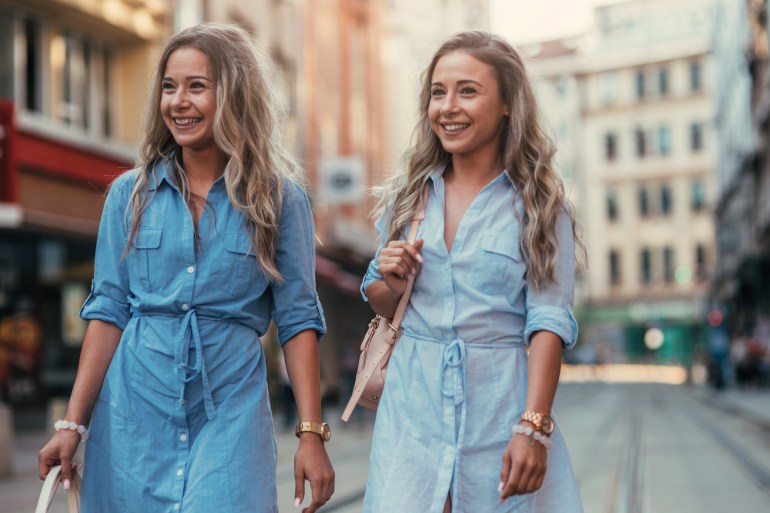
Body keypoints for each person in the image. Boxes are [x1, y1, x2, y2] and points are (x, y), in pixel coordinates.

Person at [38, 23, 334, 513]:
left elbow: (299, 318)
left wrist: (311, 434)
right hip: (135, 413)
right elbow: (108, 310)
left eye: (197, 86)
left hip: (231, 412)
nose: (179, 101)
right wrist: (72, 426)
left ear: (234, 95)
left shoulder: (281, 202)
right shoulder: (129, 196)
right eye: (169, 87)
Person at [360, 31, 585, 512]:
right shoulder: (409, 197)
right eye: (438, 93)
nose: (448, 107)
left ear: (507, 104)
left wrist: (533, 427)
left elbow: (549, 321)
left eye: (467, 90)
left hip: (498, 409)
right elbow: (380, 300)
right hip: (411, 416)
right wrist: (390, 279)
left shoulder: (541, 207)